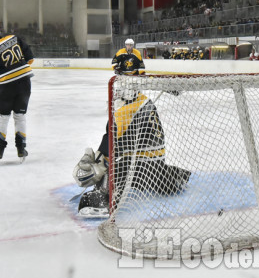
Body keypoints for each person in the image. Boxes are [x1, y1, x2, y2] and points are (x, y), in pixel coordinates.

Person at [72, 85, 191, 217]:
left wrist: (97, 164)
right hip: (155, 166)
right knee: (145, 170)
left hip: (140, 167)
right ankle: (172, 177)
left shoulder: (125, 111)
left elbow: (112, 145)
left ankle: (102, 199)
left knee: (113, 168)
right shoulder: (143, 101)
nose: (111, 101)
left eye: (115, 96)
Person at [0, 22, 35, 162]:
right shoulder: (14, 38)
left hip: (6, 88)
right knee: (20, 115)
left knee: (3, 117)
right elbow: (30, 59)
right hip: (25, 83)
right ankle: (21, 149)